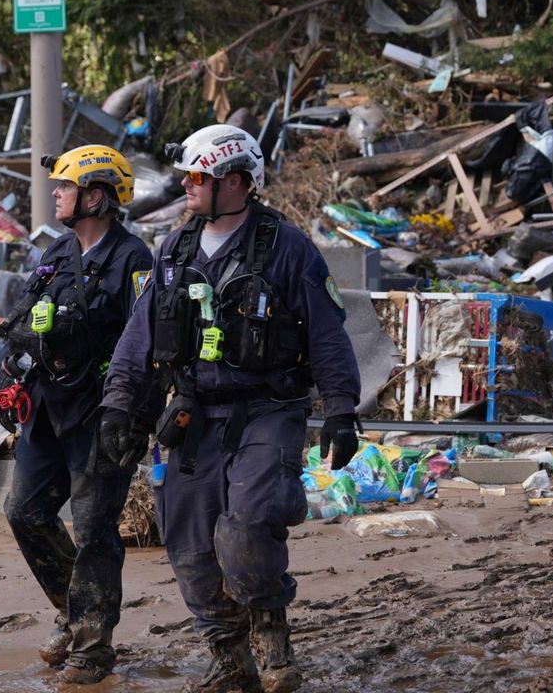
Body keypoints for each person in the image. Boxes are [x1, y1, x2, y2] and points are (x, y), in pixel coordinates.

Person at [96, 125, 362, 693]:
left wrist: (340, 409)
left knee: (248, 525)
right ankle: (228, 656)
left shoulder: (287, 248)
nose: (188, 186)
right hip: (191, 417)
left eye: (200, 177)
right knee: (188, 542)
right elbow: (139, 340)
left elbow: (328, 336)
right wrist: (121, 409)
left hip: (268, 411)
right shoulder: (172, 250)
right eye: (188, 176)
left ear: (237, 182)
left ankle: (271, 642)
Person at [0, 144, 154, 685]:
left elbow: (148, 343)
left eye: (65, 186)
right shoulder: (57, 254)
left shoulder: (135, 261)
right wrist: (6, 380)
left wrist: (132, 413)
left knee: (93, 530)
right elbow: (23, 322)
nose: (56, 194)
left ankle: (92, 645)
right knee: (25, 513)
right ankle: (73, 611)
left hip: (101, 415)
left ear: (96, 195)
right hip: (45, 409)